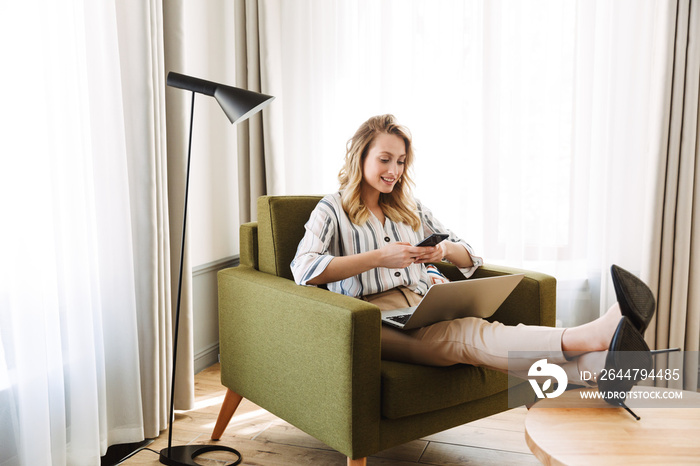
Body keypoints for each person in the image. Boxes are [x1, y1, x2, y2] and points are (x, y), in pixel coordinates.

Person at [290, 114, 655, 380]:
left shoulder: (410, 208)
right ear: (361, 157)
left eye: (400, 161)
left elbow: (469, 255)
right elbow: (303, 268)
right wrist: (378, 257)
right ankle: (589, 335)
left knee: (478, 330)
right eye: (384, 160)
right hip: (373, 322)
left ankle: (594, 370)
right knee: (468, 335)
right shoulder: (332, 208)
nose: (394, 170)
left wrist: (443, 252)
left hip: (421, 306)